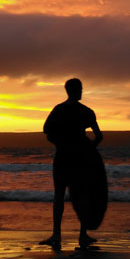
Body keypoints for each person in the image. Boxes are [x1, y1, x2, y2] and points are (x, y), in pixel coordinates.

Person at [40, 77, 103, 249]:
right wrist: (89, 149)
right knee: (82, 195)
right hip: (80, 158)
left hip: (62, 156)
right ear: (76, 91)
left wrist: (59, 140)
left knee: (59, 195)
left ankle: (56, 234)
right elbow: (99, 136)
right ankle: (83, 235)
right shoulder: (87, 111)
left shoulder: (59, 109)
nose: (82, 91)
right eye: (80, 89)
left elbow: (46, 130)